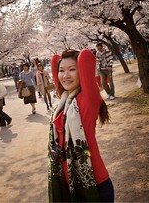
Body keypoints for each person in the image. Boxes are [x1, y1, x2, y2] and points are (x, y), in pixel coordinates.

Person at [48, 49, 114, 202]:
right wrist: (61, 61)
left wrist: (73, 58)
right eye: (62, 71)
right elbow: (54, 61)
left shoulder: (88, 99)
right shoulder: (64, 101)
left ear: (81, 72)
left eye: (72, 70)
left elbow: (86, 57)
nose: (65, 75)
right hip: (68, 184)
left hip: (94, 185)